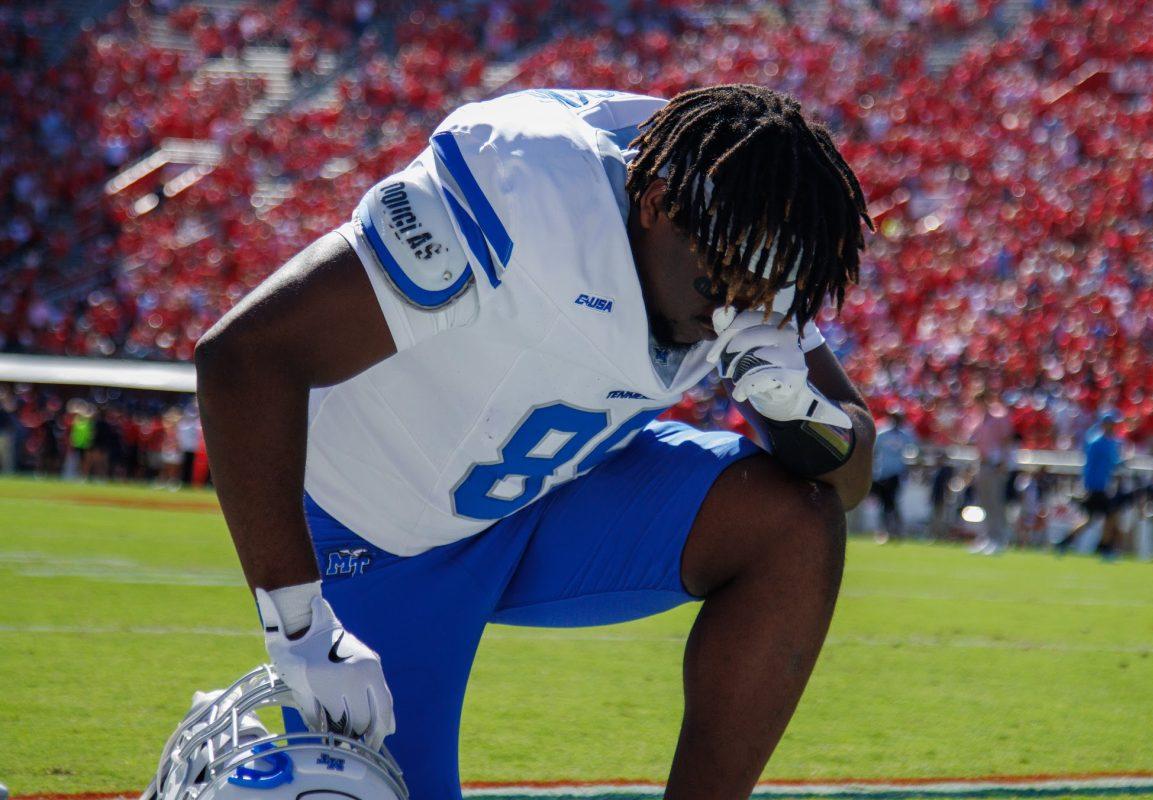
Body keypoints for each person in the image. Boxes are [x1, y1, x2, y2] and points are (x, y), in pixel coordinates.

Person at [196, 85, 877, 800]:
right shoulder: (531, 185)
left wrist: (803, 414)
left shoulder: (750, 236)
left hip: (549, 495)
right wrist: (298, 625)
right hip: (376, 538)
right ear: (655, 205)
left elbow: (852, 474)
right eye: (718, 283)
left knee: (795, 523)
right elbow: (244, 357)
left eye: (759, 291)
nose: (731, 312)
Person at [1056, 410, 1123, 555]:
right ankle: (1104, 547)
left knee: (1091, 520)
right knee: (1110, 516)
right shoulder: (1099, 442)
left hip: (1099, 486)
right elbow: (1109, 462)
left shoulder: (1103, 441)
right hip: (1096, 487)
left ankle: (1064, 542)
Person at [966, 391, 1014, 554]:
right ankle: (987, 537)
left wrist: (1005, 462)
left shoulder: (999, 416)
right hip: (982, 463)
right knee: (984, 502)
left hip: (995, 464)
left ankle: (999, 539)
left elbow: (1006, 440)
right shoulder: (977, 418)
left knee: (996, 502)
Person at [870, 409, 915, 542]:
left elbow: (913, 450)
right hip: (882, 473)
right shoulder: (882, 433)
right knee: (884, 503)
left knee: (892, 503)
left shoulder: (905, 435)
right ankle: (885, 530)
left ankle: (894, 530)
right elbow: (874, 451)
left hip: (896, 474)